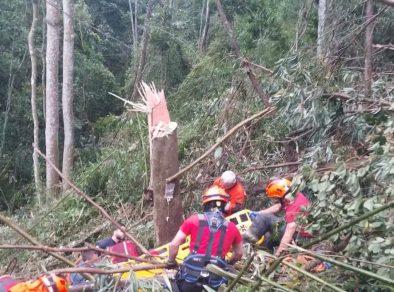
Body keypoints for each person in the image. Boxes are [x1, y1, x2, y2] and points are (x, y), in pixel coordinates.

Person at [167, 185, 243, 292]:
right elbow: (239, 253)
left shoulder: (193, 220)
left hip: (189, 279)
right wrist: (229, 263)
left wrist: (171, 262)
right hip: (215, 282)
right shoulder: (232, 227)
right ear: (225, 206)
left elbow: (174, 244)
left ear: (205, 203)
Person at [245, 178, 312, 256]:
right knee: (270, 228)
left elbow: (288, 234)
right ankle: (268, 249)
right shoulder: (293, 196)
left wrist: (278, 256)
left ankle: (245, 242)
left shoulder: (293, 208)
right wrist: (258, 213)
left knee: (266, 220)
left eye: (275, 198)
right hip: (301, 233)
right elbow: (278, 206)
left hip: (299, 238)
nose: (274, 200)